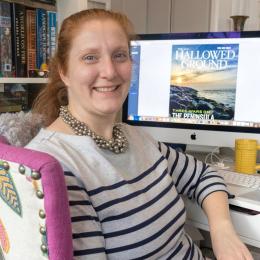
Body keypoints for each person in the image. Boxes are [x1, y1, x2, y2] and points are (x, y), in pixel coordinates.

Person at [26, 8, 253, 260]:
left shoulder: (134, 137)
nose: (110, 72)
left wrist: (222, 230)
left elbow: (203, 175)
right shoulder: (55, 166)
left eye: (119, 55)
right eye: (90, 57)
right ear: (64, 72)